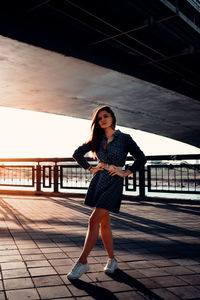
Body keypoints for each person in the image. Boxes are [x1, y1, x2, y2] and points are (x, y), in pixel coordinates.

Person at [67, 105, 146, 280]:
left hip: (114, 184)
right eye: (99, 118)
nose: (102, 120)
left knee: (93, 220)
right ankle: (112, 260)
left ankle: (83, 261)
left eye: (105, 116)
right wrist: (90, 168)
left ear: (112, 118)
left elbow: (141, 158)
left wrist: (126, 172)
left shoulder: (124, 138)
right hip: (99, 182)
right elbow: (77, 153)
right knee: (104, 224)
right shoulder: (97, 139)